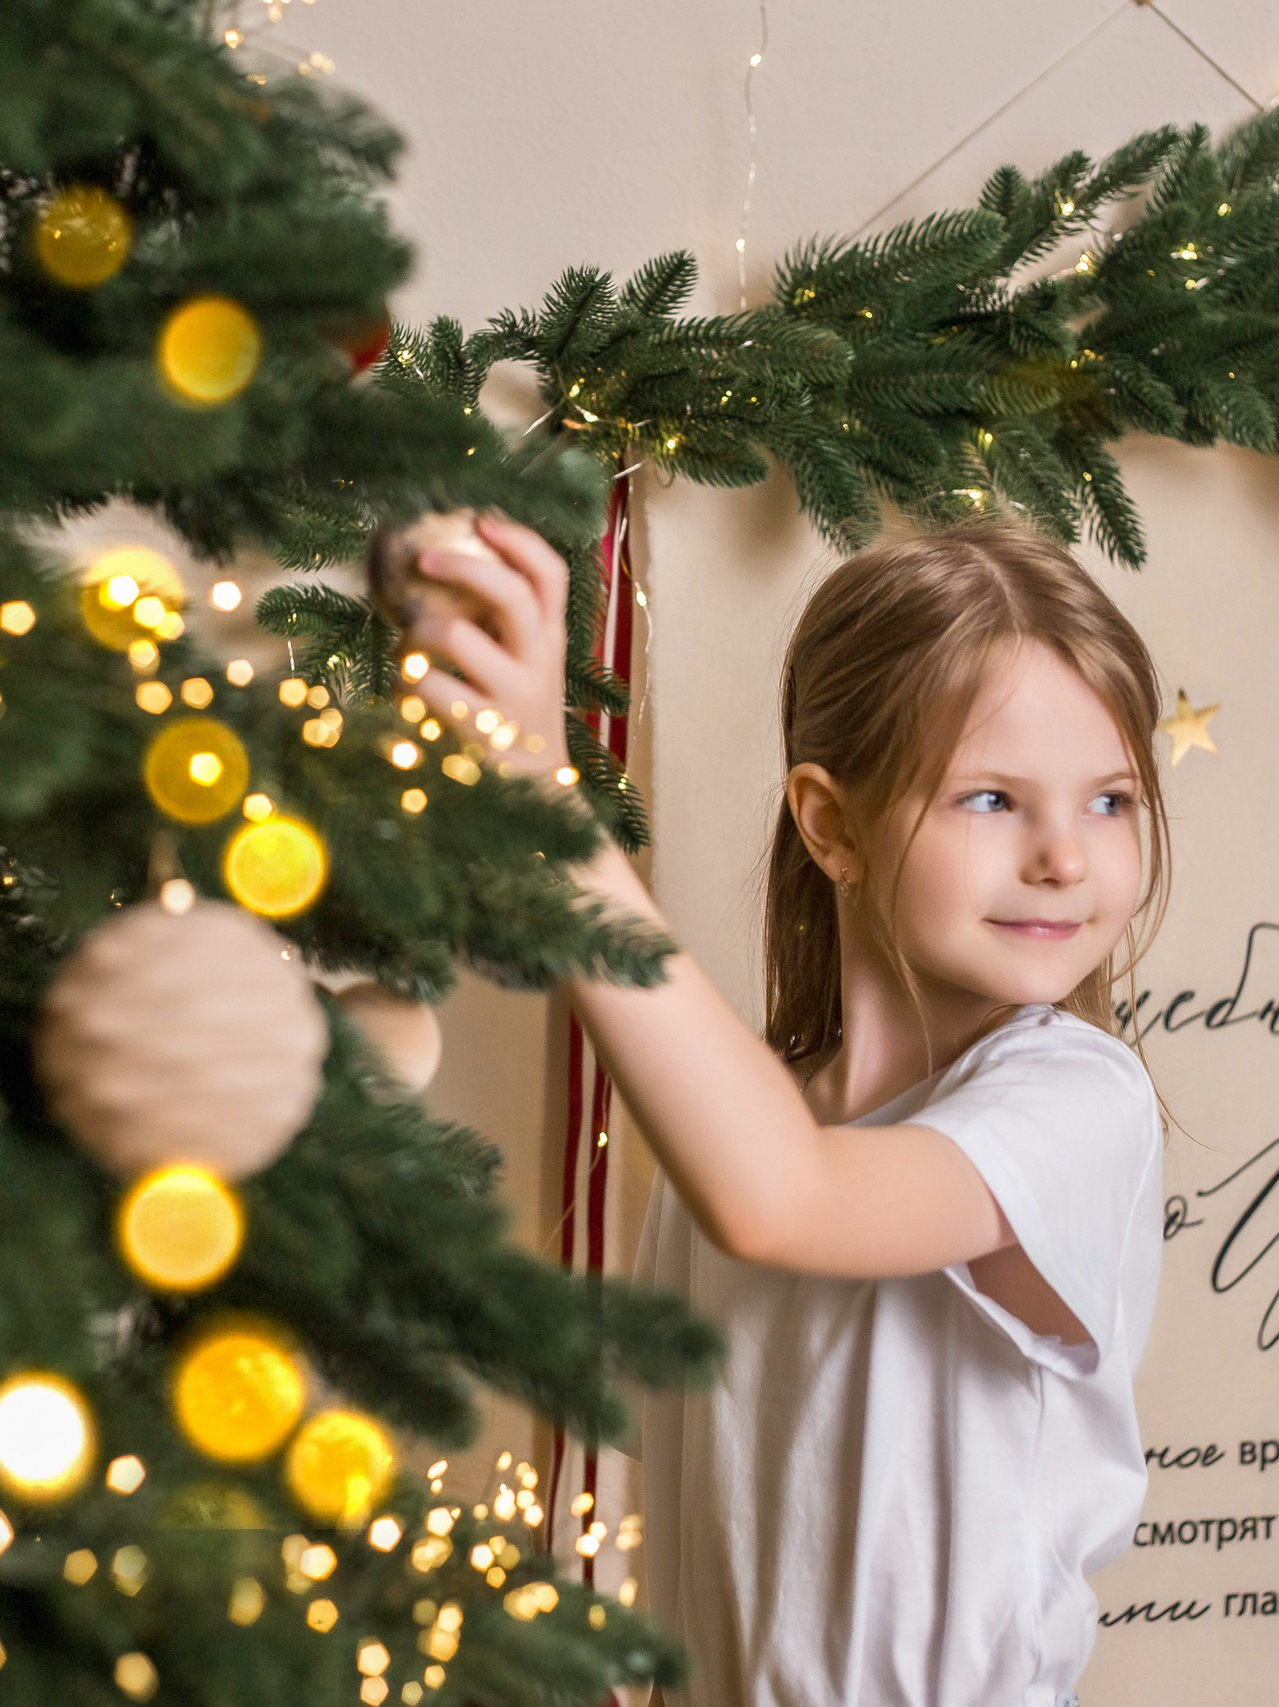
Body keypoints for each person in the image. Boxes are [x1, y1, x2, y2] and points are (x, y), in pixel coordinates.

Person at [403, 514, 1171, 1707]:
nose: (1066, 858)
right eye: (990, 799)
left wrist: (547, 811)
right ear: (831, 824)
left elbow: (786, 1202)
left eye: (1111, 801)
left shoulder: (1076, 1098)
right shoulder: (749, 1121)